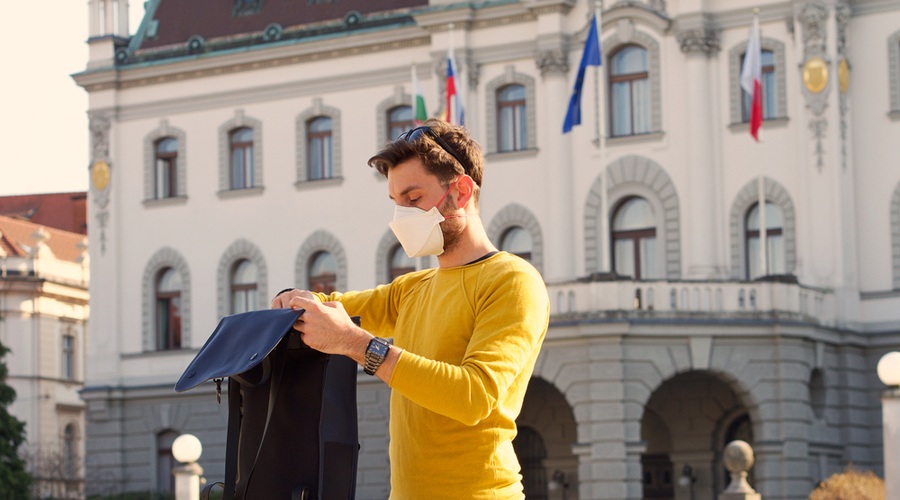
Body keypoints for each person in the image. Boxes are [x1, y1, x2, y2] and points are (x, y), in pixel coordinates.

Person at [272, 118, 550, 499]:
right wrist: (293, 299)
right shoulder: (412, 289)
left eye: (414, 198)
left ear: (463, 191)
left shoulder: (513, 280)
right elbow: (332, 308)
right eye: (396, 202)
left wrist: (357, 345)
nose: (401, 215)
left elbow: (474, 396)